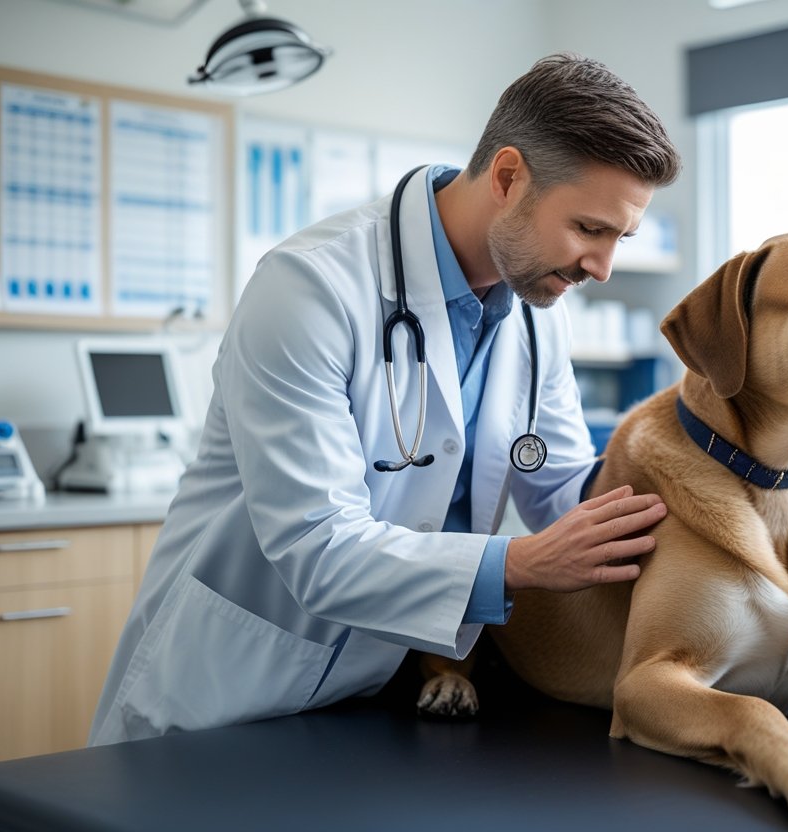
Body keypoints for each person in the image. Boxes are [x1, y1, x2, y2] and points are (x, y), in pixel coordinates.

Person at [89, 53, 682, 745]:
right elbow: (319, 545)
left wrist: (696, 477)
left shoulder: (534, 314)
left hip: (369, 700)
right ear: (508, 176)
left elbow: (562, 493)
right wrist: (520, 564)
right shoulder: (310, 288)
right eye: (589, 229)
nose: (603, 268)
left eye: (620, 237)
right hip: (227, 693)